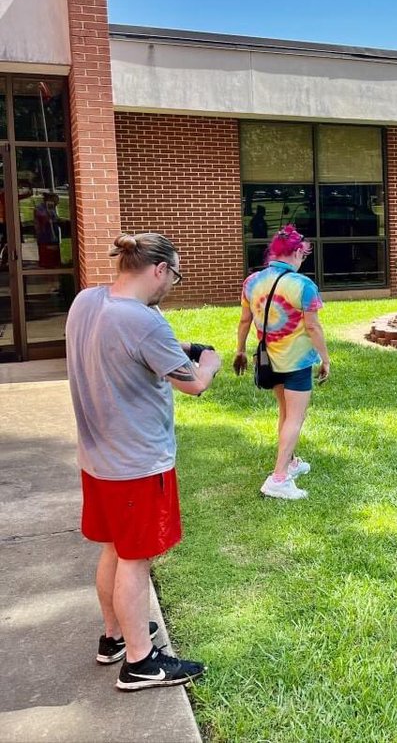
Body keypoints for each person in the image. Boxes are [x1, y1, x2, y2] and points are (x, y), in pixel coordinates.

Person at [66, 233, 220, 691]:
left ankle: (114, 636)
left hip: (97, 459)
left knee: (114, 549)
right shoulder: (143, 321)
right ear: (159, 270)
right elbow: (193, 384)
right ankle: (140, 662)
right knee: (136, 560)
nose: (172, 285)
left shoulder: (87, 301)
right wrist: (208, 362)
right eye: (175, 276)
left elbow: (133, 346)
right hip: (137, 464)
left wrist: (181, 345)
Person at [233, 225, 330, 500]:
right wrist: (326, 359)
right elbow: (313, 327)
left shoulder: (251, 282)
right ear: (297, 252)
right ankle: (278, 478)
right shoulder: (303, 285)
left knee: (285, 414)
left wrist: (240, 350)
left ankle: (291, 462)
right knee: (295, 418)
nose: (303, 260)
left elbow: (244, 321)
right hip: (296, 362)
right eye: (303, 255)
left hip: (268, 360)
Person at [34, 192, 61, 268]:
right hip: (44, 231)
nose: (57, 203)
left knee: (54, 247)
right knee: (46, 247)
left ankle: (54, 262)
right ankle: (46, 263)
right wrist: (47, 216)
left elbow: (55, 218)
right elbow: (40, 218)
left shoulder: (52, 208)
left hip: (52, 230)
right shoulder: (40, 208)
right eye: (55, 201)